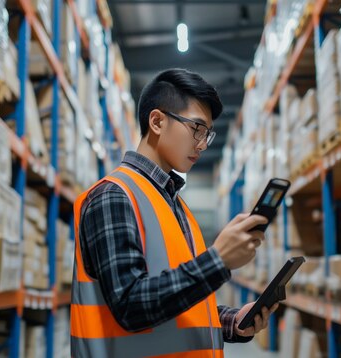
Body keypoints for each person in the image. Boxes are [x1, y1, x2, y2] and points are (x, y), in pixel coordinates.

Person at [70, 68, 278, 357]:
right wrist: (217, 261)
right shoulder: (113, 196)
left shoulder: (175, 206)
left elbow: (177, 303)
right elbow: (131, 306)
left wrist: (230, 322)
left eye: (208, 134)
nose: (203, 144)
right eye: (197, 129)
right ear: (157, 121)